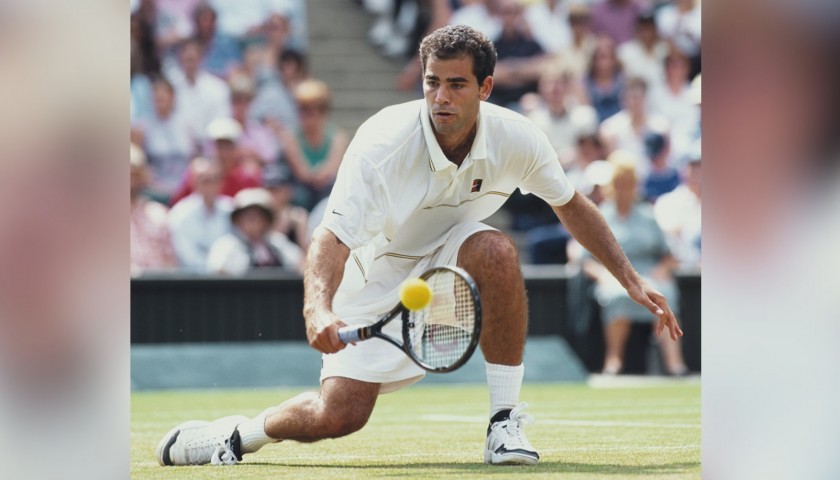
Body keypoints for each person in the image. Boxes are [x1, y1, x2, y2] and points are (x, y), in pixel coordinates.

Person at [156, 25, 681, 468]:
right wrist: (317, 307)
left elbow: (571, 205)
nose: (441, 98)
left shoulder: (519, 138)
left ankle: (504, 422)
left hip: (452, 252)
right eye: (433, 83)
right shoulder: (382, 142)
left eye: (457, 85)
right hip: (374, 271)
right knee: (339, 416)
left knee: (497, 250)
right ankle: (236, 435)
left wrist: (630, 280)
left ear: (487, 87)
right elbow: (331, 237)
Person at [579, 151, 686, 376]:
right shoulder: (599, 215)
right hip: (614, 277)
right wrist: (604, 276)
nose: (623, 188)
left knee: (664, 293)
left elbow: (669, 254)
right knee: (616, 294)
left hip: (648, 275)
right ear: (611, 185)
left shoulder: (648, 215)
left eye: (628, 183)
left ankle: (675, 362)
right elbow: (586, 261)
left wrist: (661, 269)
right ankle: (613, 360)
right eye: (619, 183)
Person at [279, 79, 349, 211]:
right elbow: (301, 172)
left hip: (326, 187)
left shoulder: (337, 136)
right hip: (299, 189)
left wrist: (320, 175)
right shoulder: (290, 136)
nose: (307, 116)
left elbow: (332, 168)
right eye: (302, 110)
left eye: (312, 110)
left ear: (323, 111)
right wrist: (315, 175)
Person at [206, 187, 303, 275]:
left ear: (267, 220)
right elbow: (216, 272)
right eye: (247, 216)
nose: (253, 220)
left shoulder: (277, 242)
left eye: (258, 216)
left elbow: (301, 264)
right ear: (238, 220)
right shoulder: (226, 245)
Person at [169, 117, 262, 204]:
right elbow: (178, 204)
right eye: (220, 146)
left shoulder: (248, 177)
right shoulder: (197, 173)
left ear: (237, 148)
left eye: (228, 146)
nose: (224, 152)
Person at [168, 157, 234, 271]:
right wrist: (214, 270)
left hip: (229, 278)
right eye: (205, 180)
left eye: (216, 179)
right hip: (193, 281)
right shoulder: (180, 213)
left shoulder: (231, 208)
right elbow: (186, 255)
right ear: (193, 182)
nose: (212, 185)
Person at [130, 144, 178, 275]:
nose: (130, 180)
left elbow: (170, 261)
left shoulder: (159, 213)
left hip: (155, 288)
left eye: (134, 174)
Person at [263, 164, 310, 250]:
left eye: (276, 190)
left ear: (289, 191)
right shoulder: (260, 216)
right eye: (269, 189)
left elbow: (306, 251)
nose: (272, 195)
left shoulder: (298, 216)